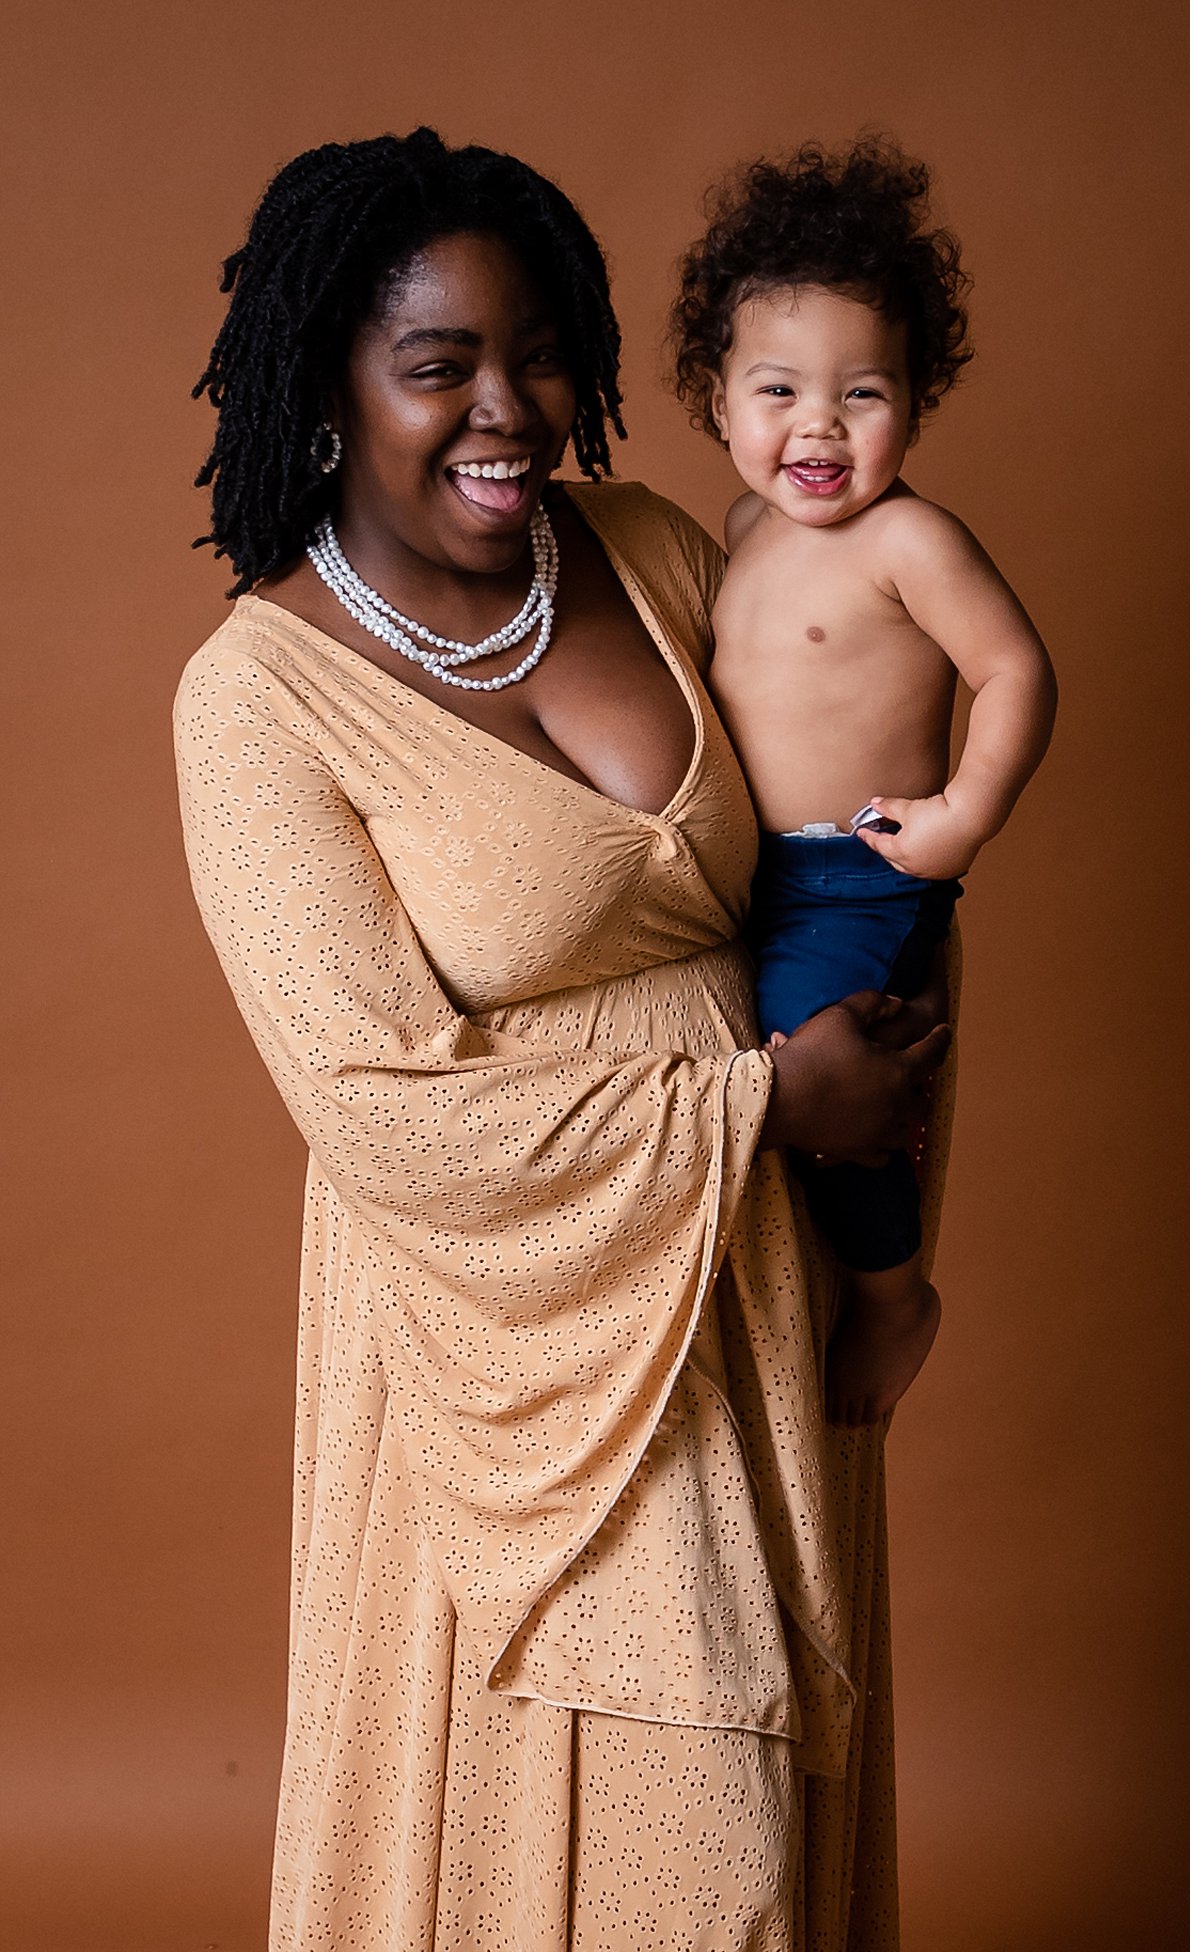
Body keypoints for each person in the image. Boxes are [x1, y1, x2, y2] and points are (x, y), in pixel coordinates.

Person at [175, 128, 954, 1952]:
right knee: (692, 1827)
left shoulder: (655, 552)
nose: (505, 406)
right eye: (438, 363)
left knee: (766, 1814)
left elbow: (864, 874)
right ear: (327, 383)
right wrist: (768, 1104)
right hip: (498, 1340)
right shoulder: (258, 699)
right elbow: (382, 1115)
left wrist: (893, 1245)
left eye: (535, 352)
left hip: (756, 1273)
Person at [672, 140, 1057, 1427]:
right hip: (753, 870)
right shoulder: (739, 533)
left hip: (860, 865)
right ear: (716, 398)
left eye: (863, 392)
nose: (818, 428)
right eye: (777, 389)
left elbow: (1015, 672)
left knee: (813, 1058)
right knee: (703, 1054)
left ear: (916, 401)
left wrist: (959, 817)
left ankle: (893, 1294)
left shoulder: (909, 538)